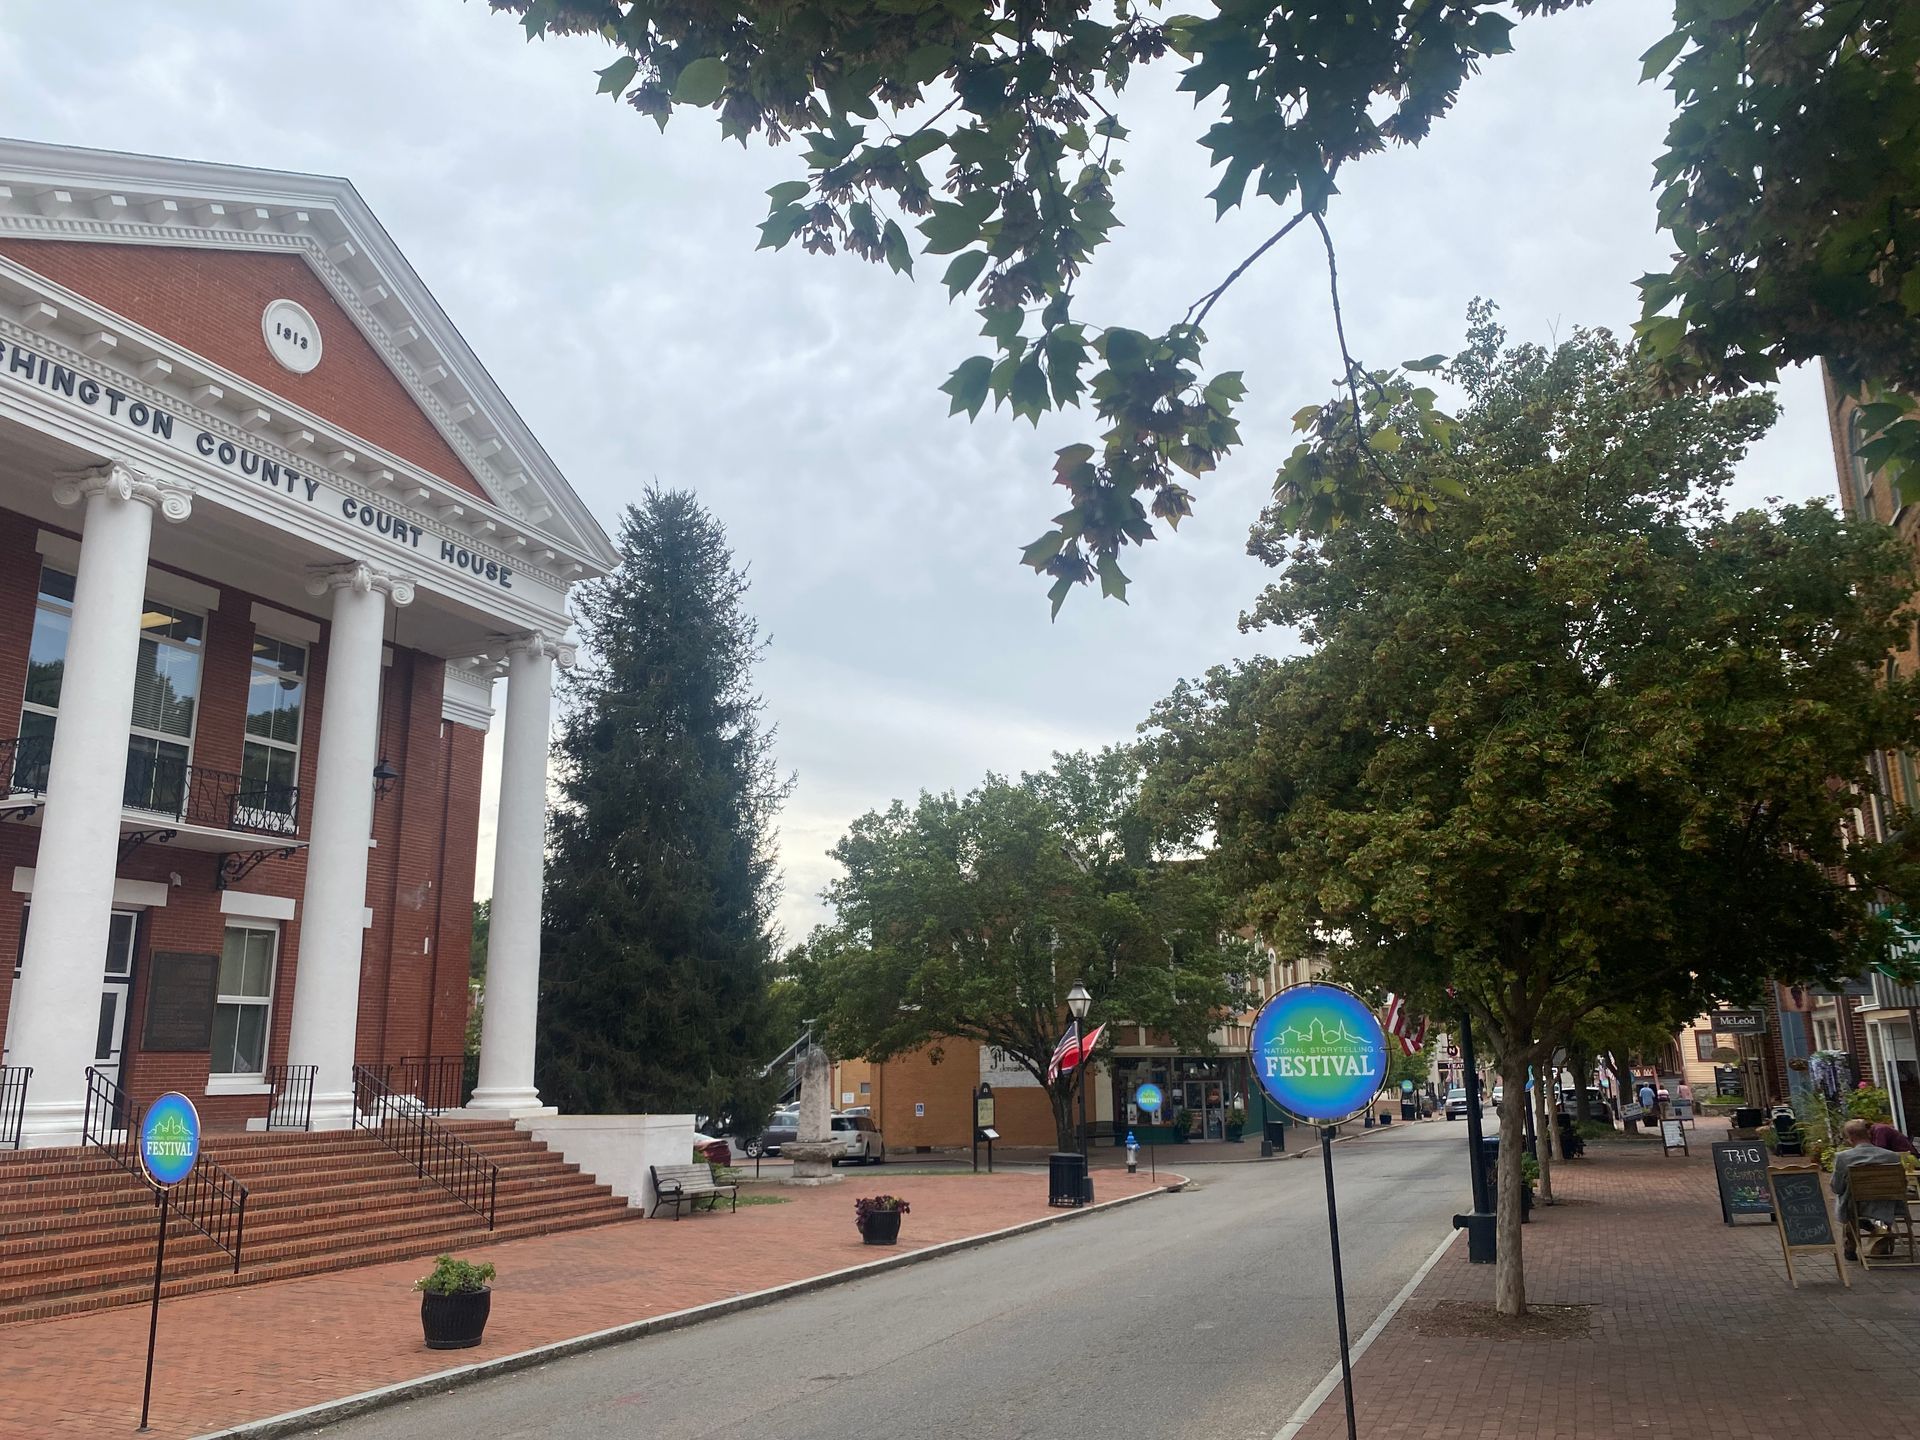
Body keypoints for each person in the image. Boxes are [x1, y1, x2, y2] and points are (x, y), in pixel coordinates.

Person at [1831, 1118, 1909, 1259]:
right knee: (1876, 1203)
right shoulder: (1892, 1157)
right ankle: (1881, 1232)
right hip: (1887, 1206)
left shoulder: (1843, 1157)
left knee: (1845, 1199)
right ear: (1868, 1134)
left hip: (1857, 1206)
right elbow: (1903, 1184)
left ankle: (1851, 1245)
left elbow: (1836, 1188)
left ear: (1851, 1138)